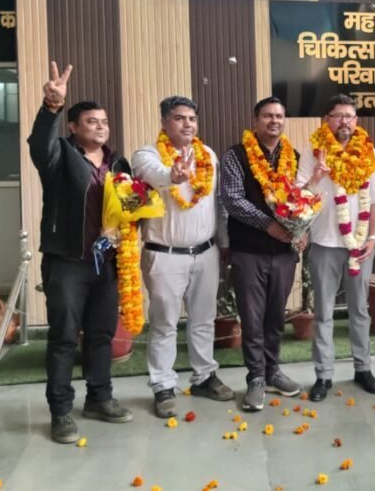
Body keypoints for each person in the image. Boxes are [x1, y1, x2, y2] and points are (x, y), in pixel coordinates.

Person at [28, 61, 133, 444]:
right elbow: (38, 145)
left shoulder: (118, 162)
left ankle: (99, 398)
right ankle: (60, 411)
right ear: (73, 127)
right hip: (68, 263)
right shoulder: (58, 155)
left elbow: (130, 207)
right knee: (64, 338)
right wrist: (51, 106)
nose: (100, 127)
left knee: (101, 335)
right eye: (91, 122)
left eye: (104, 122)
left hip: (106, 263)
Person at [131, 96, 233, 420]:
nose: (187, 124)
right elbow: (154, 174)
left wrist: (223, 243)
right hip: (165, 255)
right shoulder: (146, 155)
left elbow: (217, 203)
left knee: (204, 320)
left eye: (191, 118)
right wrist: (173, 176)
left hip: (206, 251)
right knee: (164, 324)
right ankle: (163, 385)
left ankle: (204, 376)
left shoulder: (208, 155)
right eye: (179, 118)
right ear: (164, 122)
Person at [296, 94, 375, 402]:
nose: (344, 121)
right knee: (323, 313)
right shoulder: (313, 150)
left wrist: (372, 238)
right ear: (326, 120)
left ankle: (363, 368)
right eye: (338, 116)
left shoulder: (369, 151)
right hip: (324, 244)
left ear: (356, 121)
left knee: (360, 309)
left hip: (360, 245)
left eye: (349, 116)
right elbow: (300, 195)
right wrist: (316, 176)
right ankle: (323, 374)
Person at [220, 96, 304, 412]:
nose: (274, 121)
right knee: (252, 318)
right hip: (249, 251)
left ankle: (272, 371)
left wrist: (302, 230)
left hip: (283, 253)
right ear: (255, 120)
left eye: (279, 116)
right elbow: (232, 199)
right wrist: (268, 225)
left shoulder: (293, 157)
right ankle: (255, 377)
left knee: (275, 316)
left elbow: (302, 199)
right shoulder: (236, 155)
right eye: (268, 116)